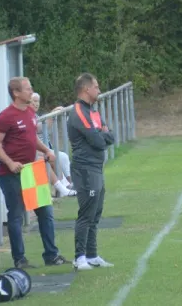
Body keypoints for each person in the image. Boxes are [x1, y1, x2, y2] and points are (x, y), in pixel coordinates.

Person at [0, 77, 69, 269]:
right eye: (27, 89)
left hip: (32, 170)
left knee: (45, 212)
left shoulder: (31, 113)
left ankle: (51, 255)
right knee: (16, 215)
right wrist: (9, 162)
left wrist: (46, 150)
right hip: (11, 174)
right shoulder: (6, 116)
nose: (31, 91)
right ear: (16, 93)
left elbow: (32, 139)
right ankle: (20, 259)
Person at [67, 73, 115, 270]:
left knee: (96, 212)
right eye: (96, 87)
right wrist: (101, 136)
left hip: (96, 167)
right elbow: (97, 141)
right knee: (86, 213)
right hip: (85, 169)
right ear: (86, 89)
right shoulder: (78, 112)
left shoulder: (93, 111)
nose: (99, 90)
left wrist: (102, 136)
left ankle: (92, 255)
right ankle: (79, 258)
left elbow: (110, 136)